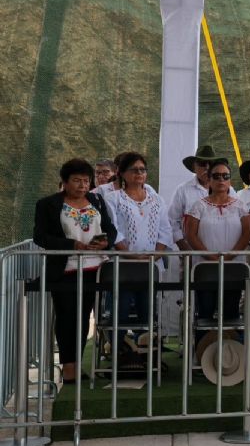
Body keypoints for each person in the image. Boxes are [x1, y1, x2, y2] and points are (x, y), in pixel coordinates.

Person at [34, 158, 117, 382]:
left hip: (94, 268)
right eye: (77, 181)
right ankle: (68, 366)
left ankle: (76, 364)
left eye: (86, 181)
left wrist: (105, 242)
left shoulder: (96, 200)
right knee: (66, 317)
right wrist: (72, 245)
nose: (82, 185)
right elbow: (40, 236)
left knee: (83, 318)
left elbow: (110, 229)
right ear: (64, 182)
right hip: (65, 269)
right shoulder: (48, 204)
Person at [106, 152, 174, 335]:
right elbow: (112, 230)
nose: (139, 173)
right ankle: (117, 352)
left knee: (148, 312)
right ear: (122, 173)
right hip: (124, 265)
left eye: (142, 169)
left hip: (150, 265)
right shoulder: (114, 198)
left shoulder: (157, 200)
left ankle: (146, 355)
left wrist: (156, 254)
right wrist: (131, 254)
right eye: (134, 169)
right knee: (120, 312)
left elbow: (165, 231)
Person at [184, 159, 250, 332]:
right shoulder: (199, 205)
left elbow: (247, 234)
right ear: (209, 180)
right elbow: (190, 235)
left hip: (233, 266)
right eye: (216, 176)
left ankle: (230, 354)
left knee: (231, 312)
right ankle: (202, 353)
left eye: (225, 176)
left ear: (230, 180)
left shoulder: (240, 206)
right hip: (205, 267)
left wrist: (229, 256)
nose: (221, 179)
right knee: (205, 312)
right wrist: (211, 257)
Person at [168, 145, 236, 252]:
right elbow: (172, 221)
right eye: (202, 164)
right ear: (194, 167)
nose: (207, 167)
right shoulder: (183, 190)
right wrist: (185, 249)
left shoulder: (230, 190)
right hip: (192, 253)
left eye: (211, 164)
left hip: (225, 251)